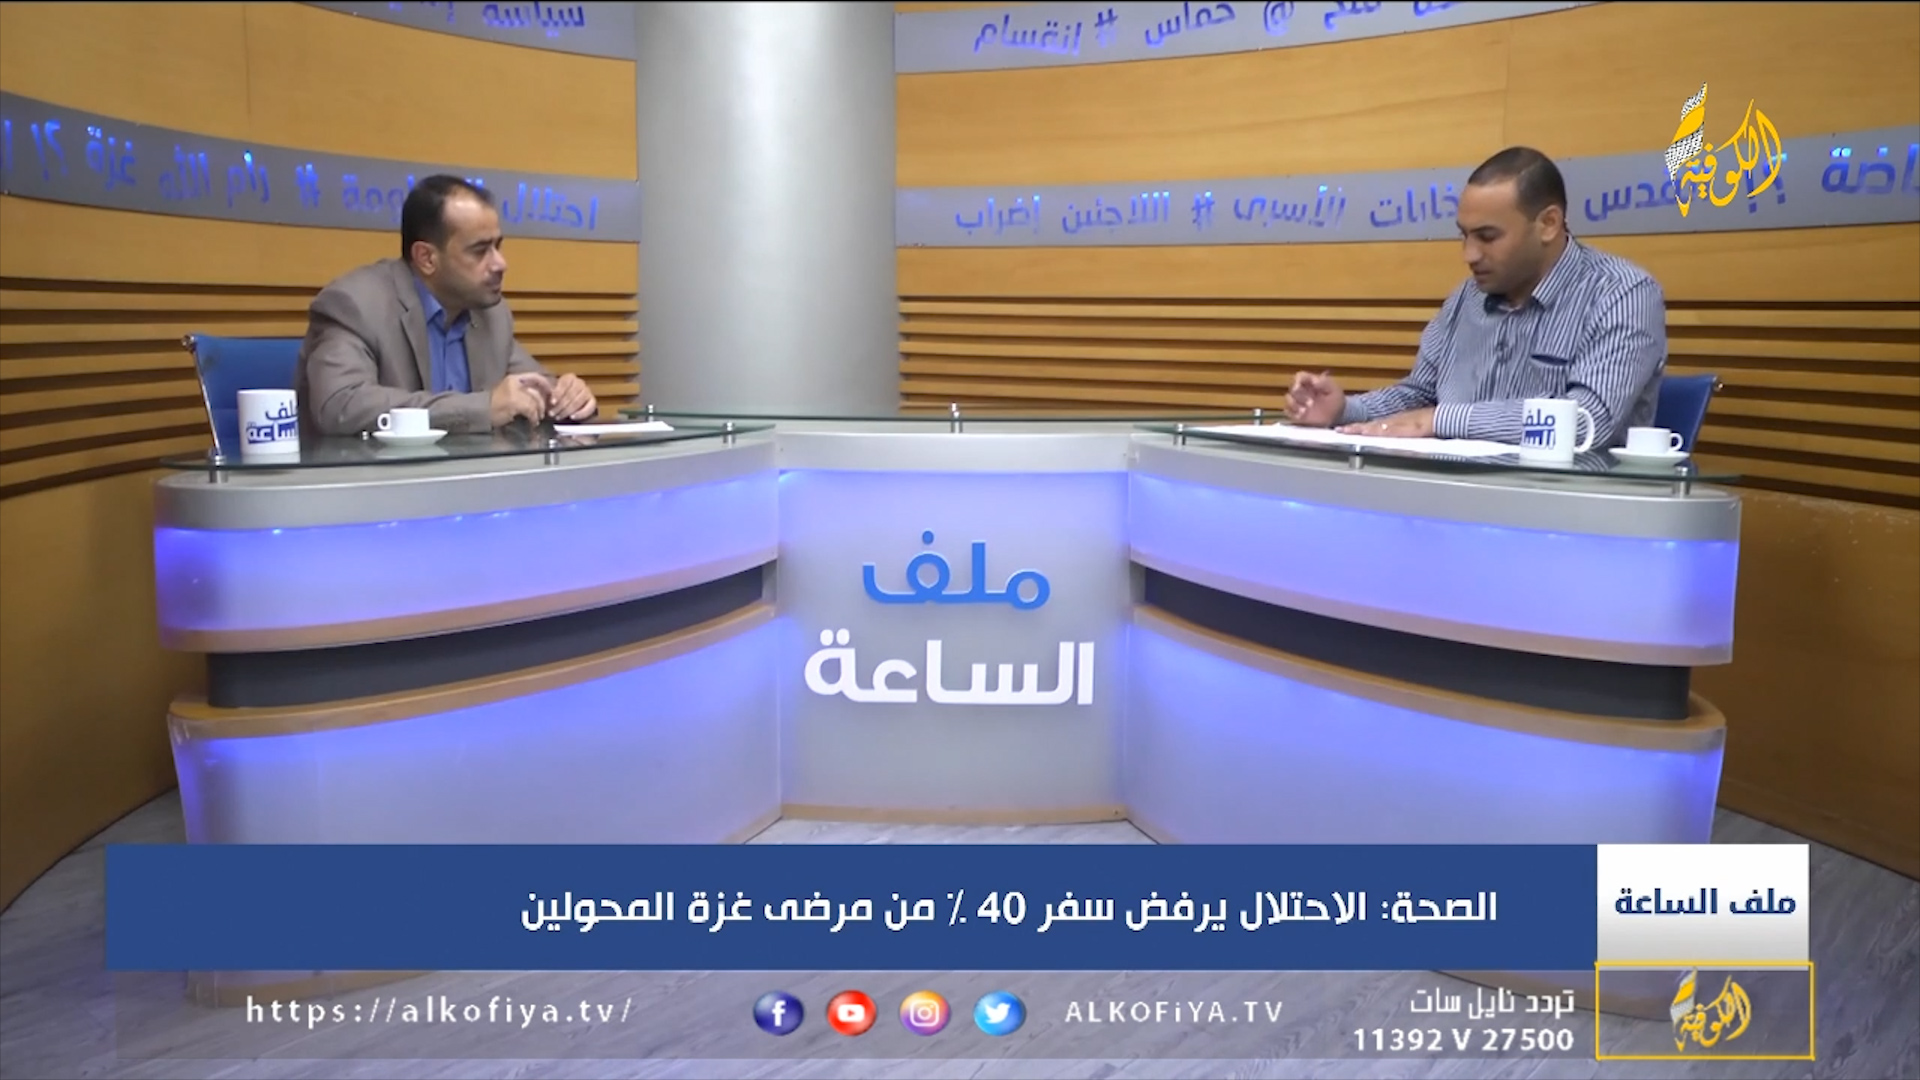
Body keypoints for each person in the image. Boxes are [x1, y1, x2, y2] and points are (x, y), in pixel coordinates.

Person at [1285, 147, 1665, 448]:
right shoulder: (1465, 298)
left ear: (1548, 224)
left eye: (1487, 237)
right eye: (1464, 235)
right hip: (1456, 501)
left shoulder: (1622, 294)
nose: (1469, 254)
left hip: (1568, 510)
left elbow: (1587, 421)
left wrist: (1442, 420)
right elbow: (1420, 394)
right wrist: (1345, 410)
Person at [296, 175, 597, 435]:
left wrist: (565, 396)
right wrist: (480, 409)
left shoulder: (490, 312)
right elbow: (340, 406)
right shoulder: (355, 304)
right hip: (375, 480)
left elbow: (529, 389)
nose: (500, 263)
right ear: (427, 258)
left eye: (497, 246)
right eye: (480, 250)